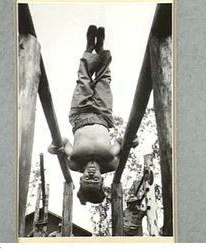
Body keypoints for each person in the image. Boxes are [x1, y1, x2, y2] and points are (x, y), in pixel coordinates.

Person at [48, 25, 138, 205]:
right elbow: (121, 142)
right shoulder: (110, 162)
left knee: (84, 79)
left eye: (87, 179)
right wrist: (131, 141)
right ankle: (101, 50)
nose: (90, 174)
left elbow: (64, 142)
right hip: (103, 116)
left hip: (80, 116)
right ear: (101, 179)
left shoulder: (74, 163)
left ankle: (88, 49)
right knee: (104, 80)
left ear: (80, 180)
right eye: (95, 179)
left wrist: (53, 146)